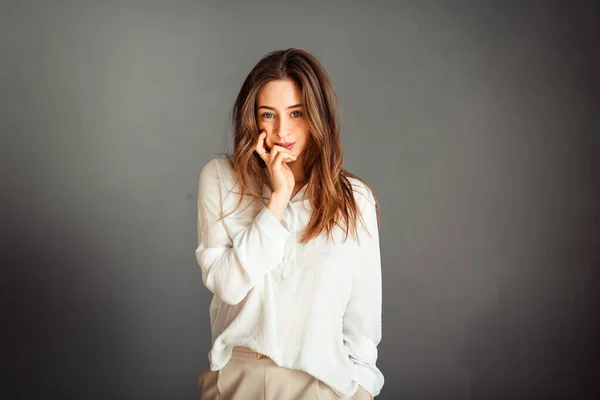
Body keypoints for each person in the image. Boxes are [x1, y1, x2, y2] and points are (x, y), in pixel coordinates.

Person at [195, 48, 384, 399]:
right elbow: (228, 285)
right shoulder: (221, 179)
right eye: (269, 114)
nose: (282, 130)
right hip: (239, 379)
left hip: (321, 384)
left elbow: (363, 322)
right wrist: (277, 200)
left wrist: (361, 389)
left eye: (296, 113)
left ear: (317, 116)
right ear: (253, 119)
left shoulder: (355, 199)